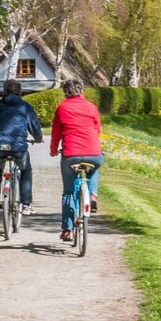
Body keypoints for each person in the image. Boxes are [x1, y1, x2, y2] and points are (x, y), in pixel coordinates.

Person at [49, 78, 103, 242]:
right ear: (81, 90)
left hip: (70, 155)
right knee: (95, 166)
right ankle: (92, 196)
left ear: (66, 92)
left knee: (68, 192)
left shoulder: (62, 108)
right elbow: (98, 130)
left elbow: (56, 133)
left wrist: (53, 151)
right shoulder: (91, 107)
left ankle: (67, 229)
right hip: (93, 152)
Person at [0, 78, 43, 215]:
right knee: (26, 170)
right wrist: (38, 138)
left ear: (4, 91)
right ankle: (26, 204)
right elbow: (34, 126)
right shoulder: (25, 107)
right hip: (18, 148)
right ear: (20, 92)